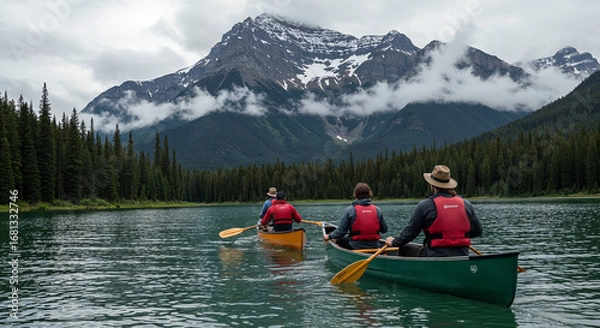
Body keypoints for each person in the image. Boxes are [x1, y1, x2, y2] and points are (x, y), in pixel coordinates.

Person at [384, 165, 482, 257]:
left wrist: (394, 242)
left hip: (434, 256)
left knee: (403, 248)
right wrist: (456, 238)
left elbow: (410, 233)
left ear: (432, 185)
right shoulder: (466, 204)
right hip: (462, 255)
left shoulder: (425, 205)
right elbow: (477, 231)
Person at [324, 183, 388, 250]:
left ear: (356, 195)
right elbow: (384, 230)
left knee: (340, 240)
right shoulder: (377, 210)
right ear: (369, 194)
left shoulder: (350, 210)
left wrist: (329, 236)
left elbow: (341, 231)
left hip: (355, 246)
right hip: (374, 245)